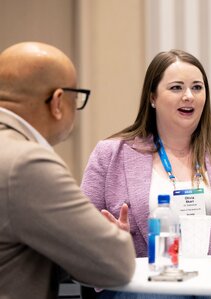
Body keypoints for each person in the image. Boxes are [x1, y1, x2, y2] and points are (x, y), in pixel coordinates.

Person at [81, 49, 211, 258]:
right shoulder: (110, 154)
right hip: (149, 280)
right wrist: (109, 240)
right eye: (176, 88)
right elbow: (81, 232)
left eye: (197, 87)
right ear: (152, 97)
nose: (189, 96)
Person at [0, 42, 136, 299]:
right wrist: (103, 240)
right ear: (58, 101)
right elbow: (117, 263)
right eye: (78, 97)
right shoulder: (27, 165)